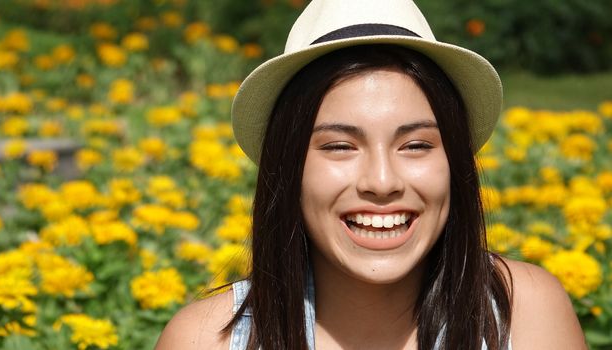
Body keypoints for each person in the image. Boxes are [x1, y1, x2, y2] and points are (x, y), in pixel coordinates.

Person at [156, 0, 586, 349]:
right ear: (287, 169)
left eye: (416, 145)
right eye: (340, 146)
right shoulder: (205, 340)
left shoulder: (524, 316)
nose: (382, 182)